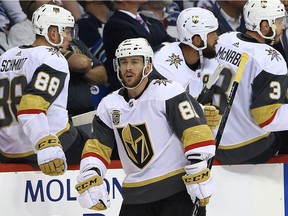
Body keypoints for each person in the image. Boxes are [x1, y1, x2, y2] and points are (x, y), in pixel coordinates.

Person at [74, 38, 216, 216]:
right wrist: (90, 174)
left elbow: (195, 131)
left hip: (177, 193)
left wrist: (198, 168)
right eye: (123, 62)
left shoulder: (168, 91)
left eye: (135, 62)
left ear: (148, 66)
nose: (128, 68)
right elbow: (97, 147)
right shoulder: (108, 105)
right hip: (135, 196)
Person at [0, 4, 89, 175]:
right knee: (100, 150)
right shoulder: (52, 57)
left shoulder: (6, 56)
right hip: (46, 145)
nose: (70, 38)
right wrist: (45, 143)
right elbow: (30, 109)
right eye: (68, 32)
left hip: (8, 151)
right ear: (53, 33)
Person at [209, 0, 288, 164]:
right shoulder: (270, 57)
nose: (283, 27)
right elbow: (267, 118)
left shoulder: (225, 39)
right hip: (248, 149)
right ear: (265, 26)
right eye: (279, 21)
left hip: (216, 141)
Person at [103, 0, 176, 93]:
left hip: (158, 87)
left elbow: (174, 44)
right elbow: (137, 55)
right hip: (131, 92)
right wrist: (166, 46)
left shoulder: (152, 21)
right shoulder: (115, 25)